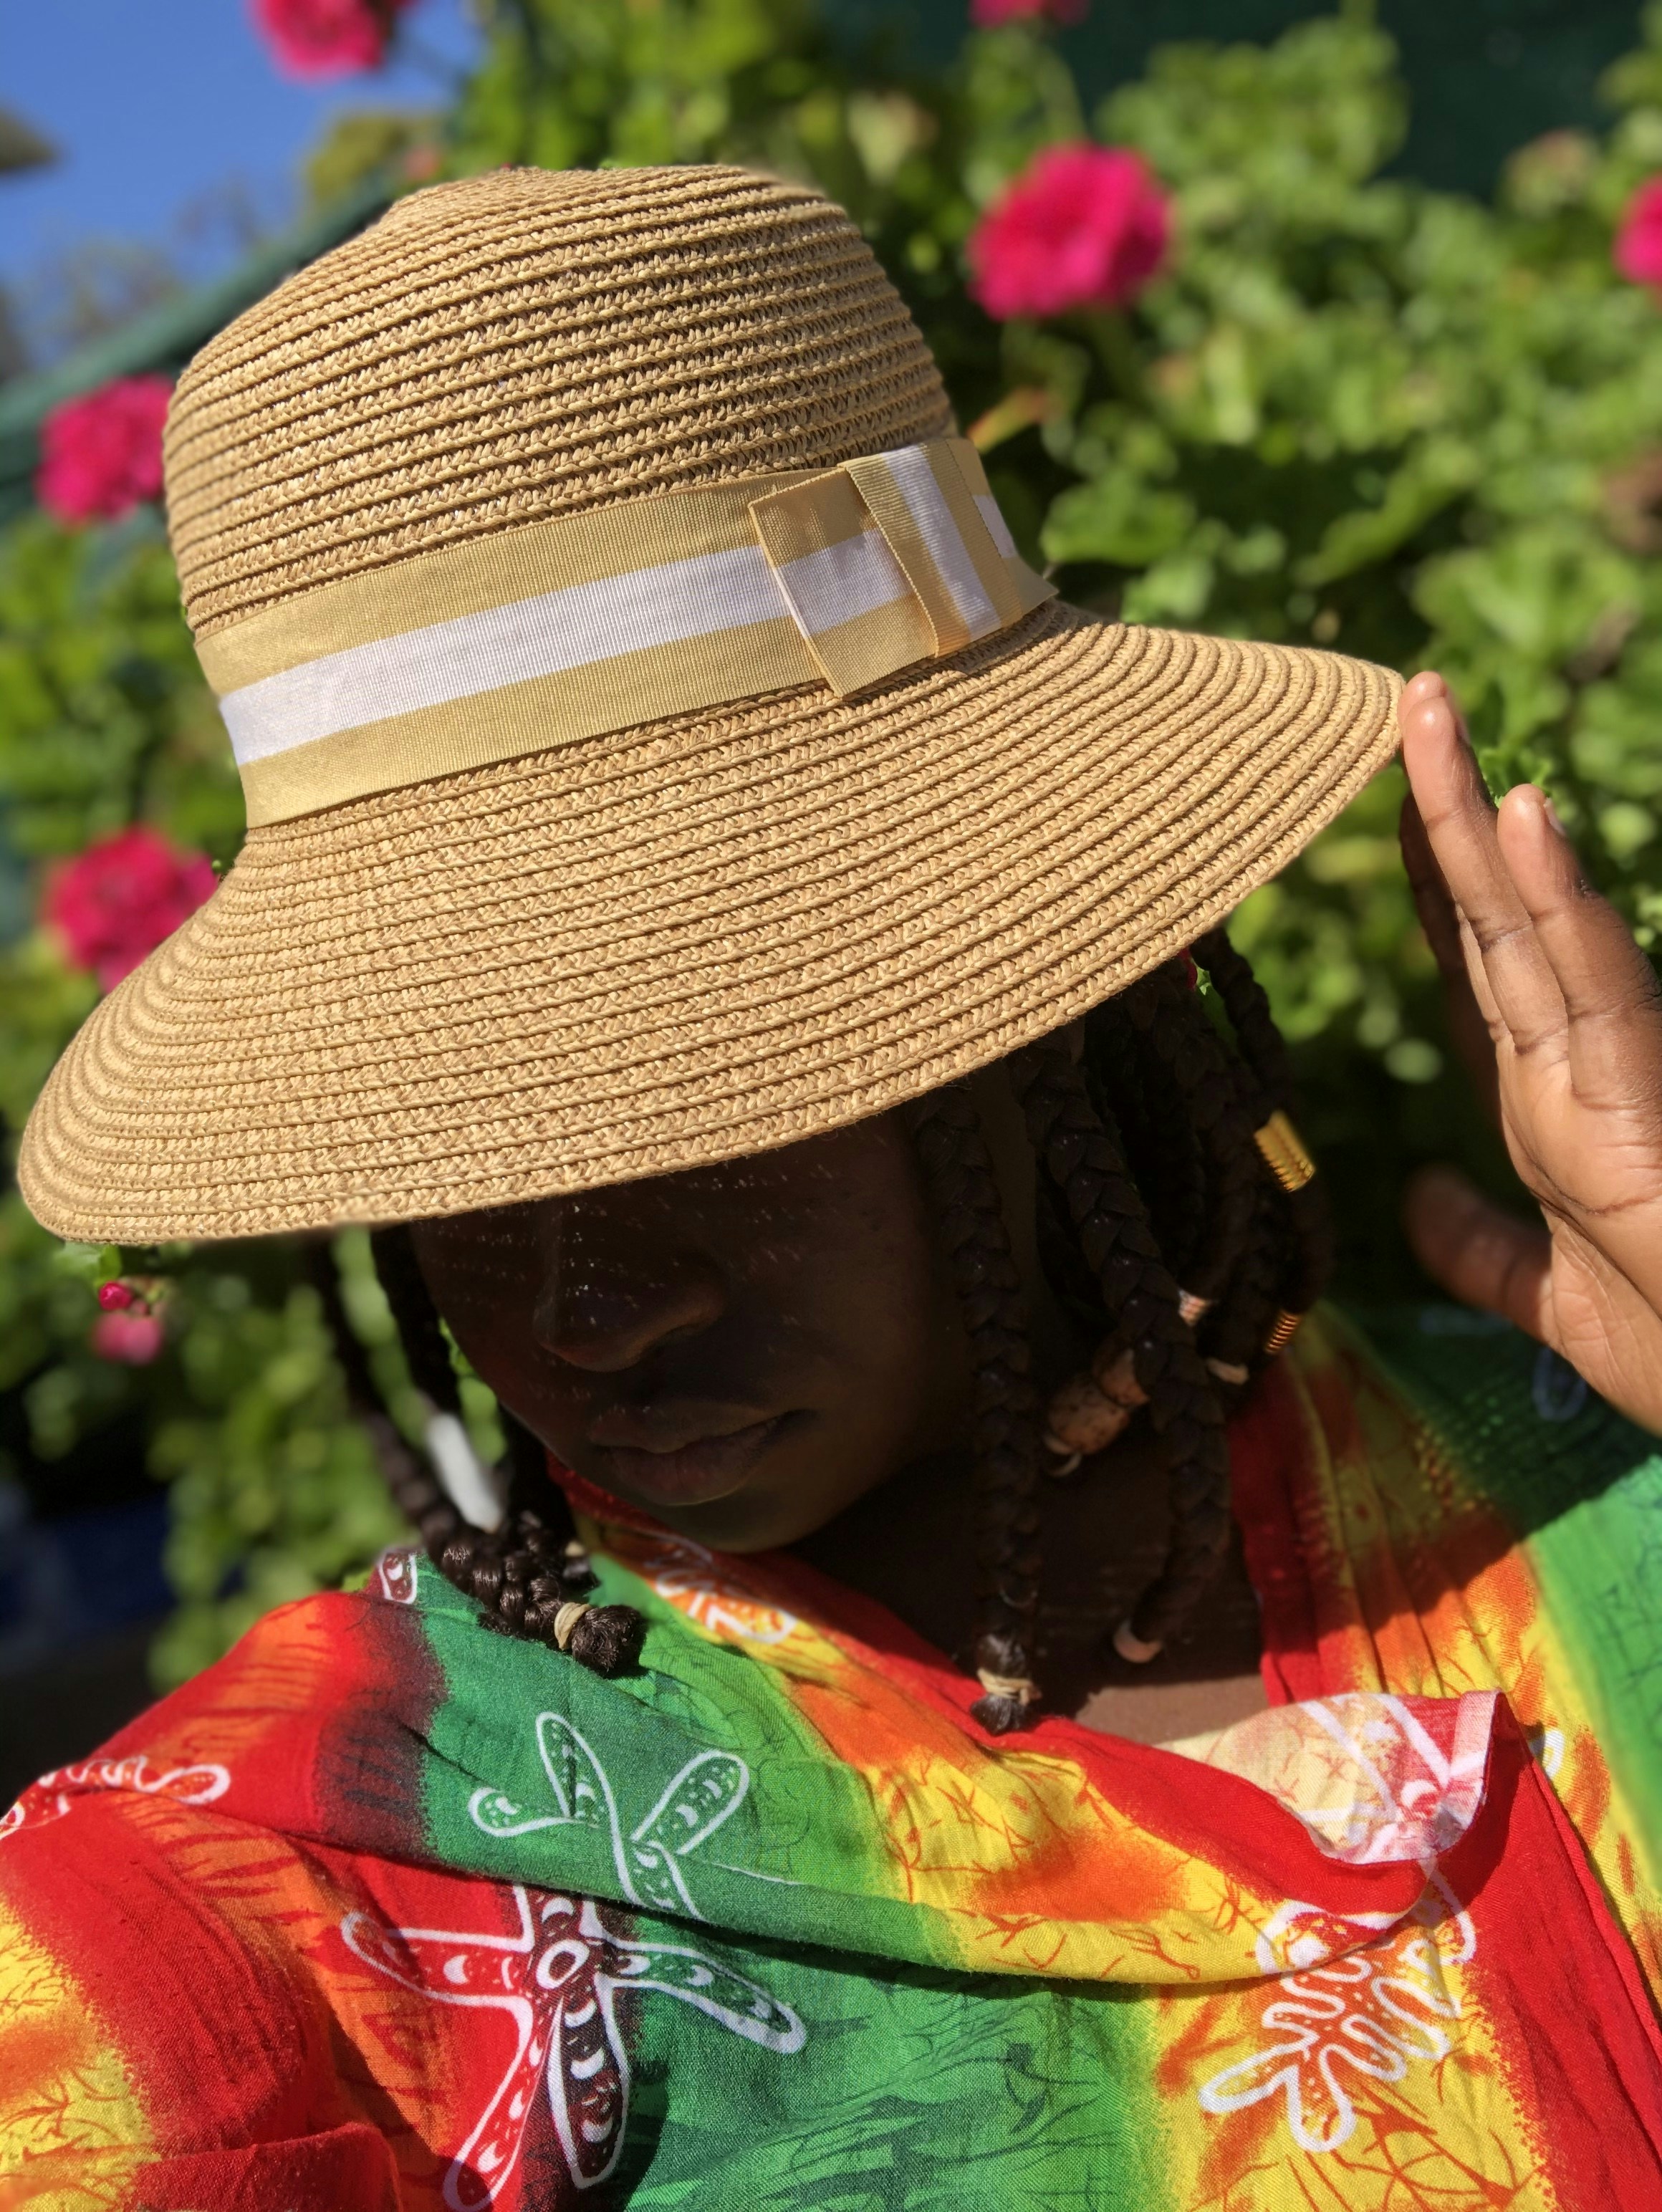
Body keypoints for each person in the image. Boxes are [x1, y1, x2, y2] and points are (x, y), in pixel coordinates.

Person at [3, 164, 1661, 2211]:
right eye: (456, 1150)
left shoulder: (1572, 1472)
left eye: (698, 1096)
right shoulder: (335, 1861)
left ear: (1009, 1006)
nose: (590, 1312)